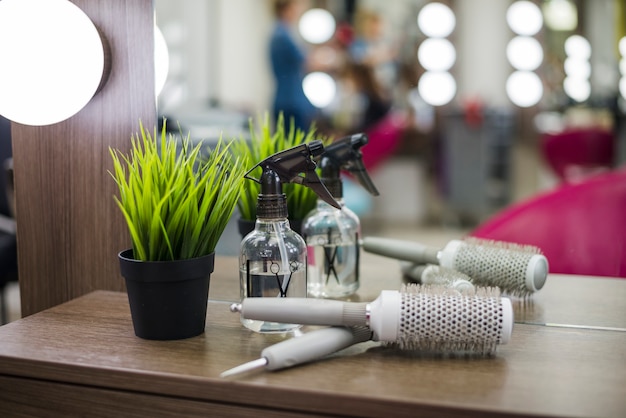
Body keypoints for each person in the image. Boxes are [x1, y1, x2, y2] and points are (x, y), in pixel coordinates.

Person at [269, 0, 316, 130]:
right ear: (287, 9)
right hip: (291, 102)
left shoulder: (279, 33)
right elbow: (307, 62)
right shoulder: (283, 35)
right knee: (297, 147)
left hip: (286, 99)